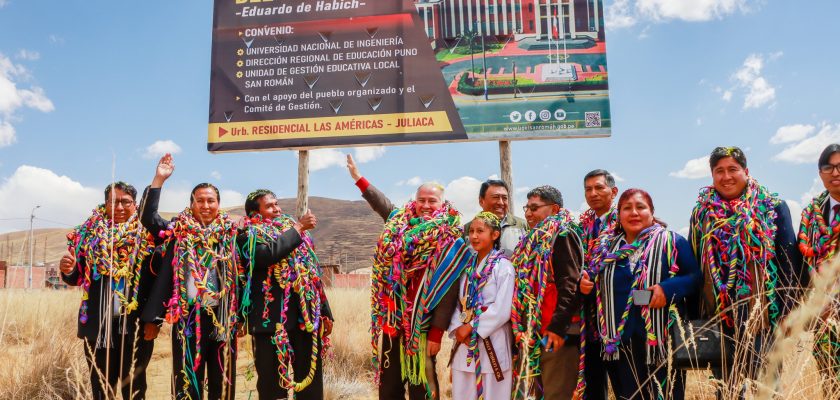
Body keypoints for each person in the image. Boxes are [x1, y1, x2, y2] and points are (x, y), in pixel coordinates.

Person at [346, 154, 468, 400]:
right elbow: (383, 205)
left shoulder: (452, 240)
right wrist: (359, 179)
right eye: (421, 200)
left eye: (431, 201)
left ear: (442, 204)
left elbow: (449, 291)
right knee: (389, 389)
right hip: (394, 322)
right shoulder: (400, 223)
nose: (425, 205)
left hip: (423, 327)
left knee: (422, 388)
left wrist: (436, 333)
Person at [688, 146, 801, 397]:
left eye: (733, 170)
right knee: (725, 388)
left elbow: (788, 261)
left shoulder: (772, 206)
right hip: (718, 316)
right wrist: (696, 314)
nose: (726, 176)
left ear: (746, 172)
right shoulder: (701, 213)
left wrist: (786, 311)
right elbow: (696, 264)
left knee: (767, 386)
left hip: (763, 316)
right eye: (719, 171)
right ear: (712, 175)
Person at [581, 189, 700, 400]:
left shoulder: (672, 242)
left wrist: (668, 289)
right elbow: (592, 283)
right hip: (619, 343)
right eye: (627, 208)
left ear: (651, 212)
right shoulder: (607, 249)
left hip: (660, 341)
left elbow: (694, 278)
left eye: (641, 207)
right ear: (618, 214)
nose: (634, 212)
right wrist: (585, 283)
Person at [139, 153, 240, 400]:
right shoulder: (177, 231)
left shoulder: (232, 234)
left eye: (211, 201)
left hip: (222, 316)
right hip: (187, 317)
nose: (205, 206)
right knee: (186, 380)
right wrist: (159, 180)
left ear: (219, 204)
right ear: (191, 204)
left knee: (223, 380)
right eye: (200, 201)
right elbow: (148, 218)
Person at [60, 182, 157, 400]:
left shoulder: (148, 236)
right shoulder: (88, 237)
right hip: (97, 325)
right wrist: (68, 269)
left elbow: (157, 282)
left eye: (126, 202)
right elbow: (76, 276)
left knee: (135, 388)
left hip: (136, 326)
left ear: (135, 204)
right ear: (105, 204)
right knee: (102, 388)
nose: (120, 207)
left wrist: (155, 320)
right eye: (114, 201)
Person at [237, 189, 334, 400]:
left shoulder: (297, 235)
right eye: (269, 206)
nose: (277, 209)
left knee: (310, 382)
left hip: (304, 319)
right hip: (270, 323)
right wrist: (299, 227)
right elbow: (267, 255)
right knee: (272, 384)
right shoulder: (248, 236)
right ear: (255, 212)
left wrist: (325, 312)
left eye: (277, 204)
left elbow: (313, 276)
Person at [510, 185, 583, 399]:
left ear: (554, 209)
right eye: (527, 208)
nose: (528, 213)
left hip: (557, 332)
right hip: (539, 329)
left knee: (556, 393)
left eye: (534, 208)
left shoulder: (562, 236)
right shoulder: (533, 240)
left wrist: (558, 328)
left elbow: (570, 285)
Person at [449, 212, 515, 400]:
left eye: (480, 231)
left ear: (495, 235)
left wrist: (471, 327)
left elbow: (502, 309)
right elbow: (456, 302)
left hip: (492, 340)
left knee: (494, 393)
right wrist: (458, 328)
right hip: (464, 342)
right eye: (471, 231)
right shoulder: (466, 267)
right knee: (462, 393)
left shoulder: (504, 267)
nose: (474, 236)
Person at [799, 144, 840, 395]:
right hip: (825, 315)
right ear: (820, 173)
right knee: (830, 381)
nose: (835, 172)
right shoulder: (811, 215)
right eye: (828, 167)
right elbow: (802, 263)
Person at [576, 169, 619, 400]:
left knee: (626, 384)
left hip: (617, 320)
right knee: (593, 388)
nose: (593, 193)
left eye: (599, 187)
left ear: (613, 192)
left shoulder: (626, 221)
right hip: (590, 320)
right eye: (588, 189)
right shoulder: (582, 228)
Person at [462, 179, 528, 255]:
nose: (501, 202)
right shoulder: (467, 229)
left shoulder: (522, 226)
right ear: (481, 201)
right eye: (495, 197)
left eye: (504, 198)